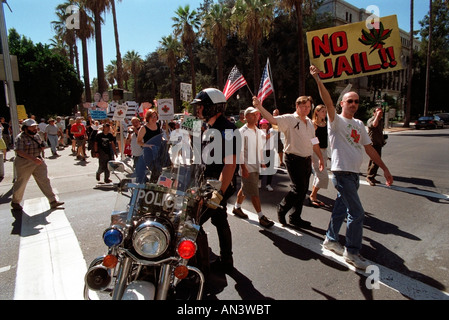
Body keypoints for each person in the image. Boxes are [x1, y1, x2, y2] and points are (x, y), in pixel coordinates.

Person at [310, 65, 393, 270]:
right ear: (342, 104)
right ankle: (352, 252)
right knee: (357, 214)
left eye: (356, 101)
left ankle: (330, 239)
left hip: (354, 175)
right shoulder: (335, 121)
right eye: (350, 101)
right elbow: (328, 101)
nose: (354, 104)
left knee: (340, 209)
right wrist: (318, 79)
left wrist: (384, 168)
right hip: (341, 174)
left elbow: (369, 149)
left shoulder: (358, 124)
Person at [253, 96, 324, 229]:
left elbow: (314, 141)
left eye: (308, 107)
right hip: (293, 159)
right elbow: (272, 119)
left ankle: (295, 217)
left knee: (303, 191)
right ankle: (282, 208)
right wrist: (259, 107)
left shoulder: (309, 122)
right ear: (297, 106)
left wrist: (320, 157)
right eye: (303, 106)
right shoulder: (289, 119)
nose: (306, 109)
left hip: (307, 159)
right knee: (298, 189)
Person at [191, 88, 239, 272]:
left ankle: (201, 263)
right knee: (220, 220)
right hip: (208, 183)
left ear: (213, 107)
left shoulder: (227, 129)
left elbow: (230, 164)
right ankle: (227, 260)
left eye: (201, 106)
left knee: (194, 222)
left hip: (218, 185)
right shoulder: (210, 127)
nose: (198, 110)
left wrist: (218, 193)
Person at [232, 107, 275, 228]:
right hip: (247, 166)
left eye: (256, 115)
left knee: (245, 188)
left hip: (256, 165)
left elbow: (260, 148)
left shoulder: (258, 131)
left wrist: (262, 161)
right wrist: (243, 168)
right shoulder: (241, 132)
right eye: (252, 115)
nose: (256, 116)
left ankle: (237, 207)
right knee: (254, 192)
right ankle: (261, 216)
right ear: (246, 117)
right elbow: (239, 151)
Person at [11, 119, 64, 211]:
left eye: (35, 126)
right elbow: (19, 151)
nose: (34, 128)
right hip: (24, 162)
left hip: (38, 161)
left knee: (44, 181)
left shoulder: (36, 136)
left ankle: (52, 201)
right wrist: (33, 159)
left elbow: (41, 145)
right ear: (25, 128)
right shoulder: (20, 137)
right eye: (31, 127)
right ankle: (15, 202)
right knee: (21, 182)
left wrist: (42, 147)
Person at [309, 104, 329, 207]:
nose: (324, 114)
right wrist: (318, 155)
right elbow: (312, 140)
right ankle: (312, 195)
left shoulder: (325, 123)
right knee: (323, 176)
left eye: (325, 112)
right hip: (316, 152)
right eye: (322, 111)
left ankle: (314, 196)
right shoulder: (314, 124)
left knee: (318, 175)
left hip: (324, 151)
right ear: (316, 112)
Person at [366, 107, 386, 186]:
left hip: (378, 143)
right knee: (376, 161)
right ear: (374, 113)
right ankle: (370, 177)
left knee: (372, 161)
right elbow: (374, 125)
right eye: (378, 112)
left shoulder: (381, 121)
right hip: (373, 143)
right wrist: (377, 116)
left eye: (381, 113)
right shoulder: (371, 120)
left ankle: (370, 176)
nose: (380, 114)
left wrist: (382, 140)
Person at [258, 118, 275, 192]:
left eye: (266, 125)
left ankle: (268, 184)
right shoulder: (261, 132)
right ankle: (259, 181)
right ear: (260, 126)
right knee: (262, 168)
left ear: (268, 125)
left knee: (270, 169)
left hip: (271, 152)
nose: (264, 126)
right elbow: (266, 137)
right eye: (263, 125)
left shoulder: (271, 130)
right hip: (263, 152)